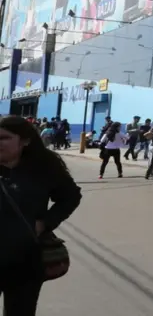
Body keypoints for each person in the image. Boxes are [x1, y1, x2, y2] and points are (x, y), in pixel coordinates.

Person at [0, 116, 83, 315]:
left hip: (24, 260)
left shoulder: (43, 167)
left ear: (25, 141)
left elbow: (70, 197)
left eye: (4, 138)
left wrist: (45, 223)